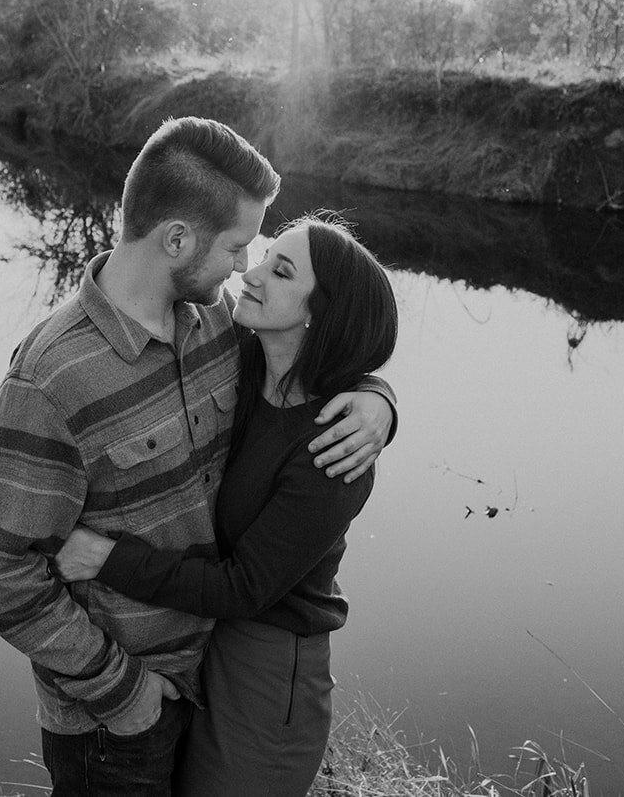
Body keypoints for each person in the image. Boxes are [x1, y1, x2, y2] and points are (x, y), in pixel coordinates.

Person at [0, 117, 396, 797]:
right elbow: (3, 576)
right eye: (236, 247)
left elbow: (322, 357)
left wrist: (378, 396)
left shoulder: (219, 325)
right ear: (177, 239)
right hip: (117, 720)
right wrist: (125, 692)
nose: (243, 269)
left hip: (213, 681)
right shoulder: (53, 377)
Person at [51, 214, 399, 797]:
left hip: (268, 671)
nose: (250, 273)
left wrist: (104, 559)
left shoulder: (331, 451)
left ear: (320, 312)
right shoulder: (240, 356)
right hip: (205, 642)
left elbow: (243, 587)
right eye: (262, 257)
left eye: (280, 271)